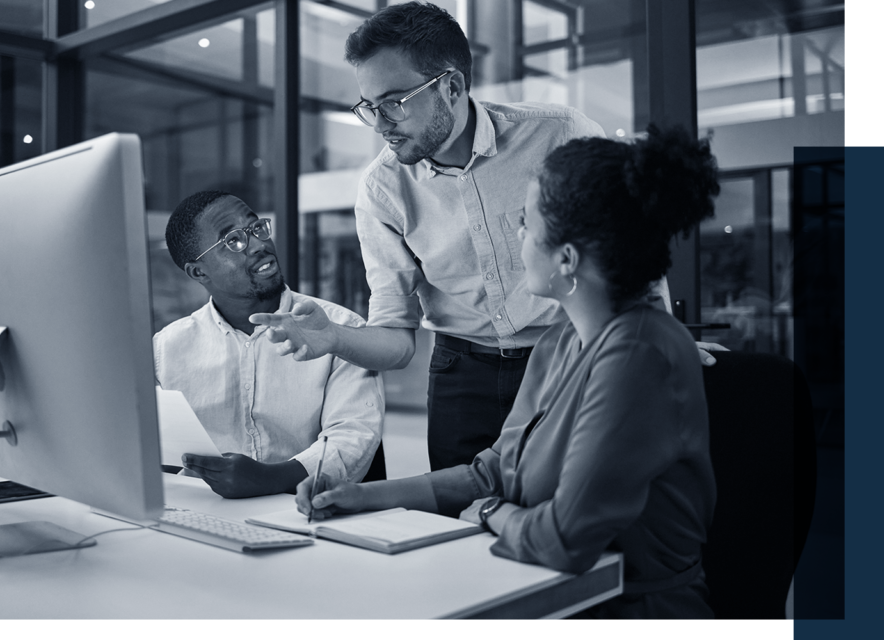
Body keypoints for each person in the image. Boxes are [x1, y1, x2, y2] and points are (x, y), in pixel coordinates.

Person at [251, 1, 722, 473]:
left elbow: (630, 242)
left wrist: (659, 336)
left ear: (451, 86)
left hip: (567, 357)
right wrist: (333, 337)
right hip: (461, 376)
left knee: (570, 507)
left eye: (393, 103)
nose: (379, 125)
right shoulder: (382, 190)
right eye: (368, 108)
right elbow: (397, 338)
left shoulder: (559, 135)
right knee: (459, 520)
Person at [296, 125, 720, 620]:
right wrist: (362, 497)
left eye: (527, 220)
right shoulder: (561, 339)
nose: (517, 232)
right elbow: (491, 472)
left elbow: (563, 540)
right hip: (543, 589)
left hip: (623, 607)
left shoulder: (640, 353)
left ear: (566, 259)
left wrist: (492, 512)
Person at [154, 190, 384, 499]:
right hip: (204, 511)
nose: (260, 245)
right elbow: (156, 452)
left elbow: (354, 438)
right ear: (199, 271)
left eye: (256, 229)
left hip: (310, 510)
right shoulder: (166, 350)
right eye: (233, 241)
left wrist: (271, 479)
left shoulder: (341, 328)